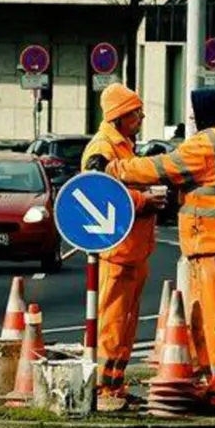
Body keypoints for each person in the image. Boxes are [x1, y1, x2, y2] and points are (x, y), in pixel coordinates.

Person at [106, 88, 215, 417]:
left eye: (194, 114)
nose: (192, 121)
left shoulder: (209, 143)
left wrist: (114, 169)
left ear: (206, 113)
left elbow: (161, 168)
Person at [81, 84, 165, 411]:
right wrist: (145, 200)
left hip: (132, 250)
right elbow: (96, 192)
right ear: (118, 116)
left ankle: (115, 384)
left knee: (125, 322)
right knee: (111, 321)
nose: (141, 116)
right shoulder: (102, 149)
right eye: (135, 112)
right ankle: (104, 387)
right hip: (117, 250)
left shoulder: (123, 147)